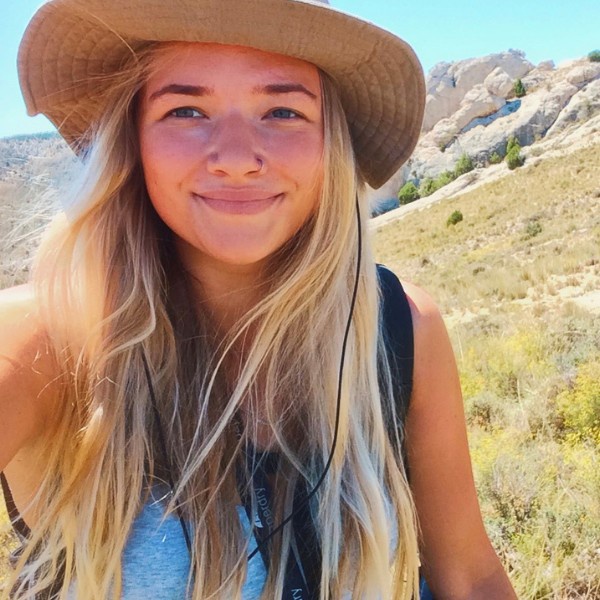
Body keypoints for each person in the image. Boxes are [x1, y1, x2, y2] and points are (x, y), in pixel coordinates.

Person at [0, 0, 517, 598]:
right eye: (186, 110)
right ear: (132, 139)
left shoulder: (398, 327)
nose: (237, 159)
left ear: (330, 143)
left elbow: (469, 575)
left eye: (282, 111)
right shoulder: (51, 337)